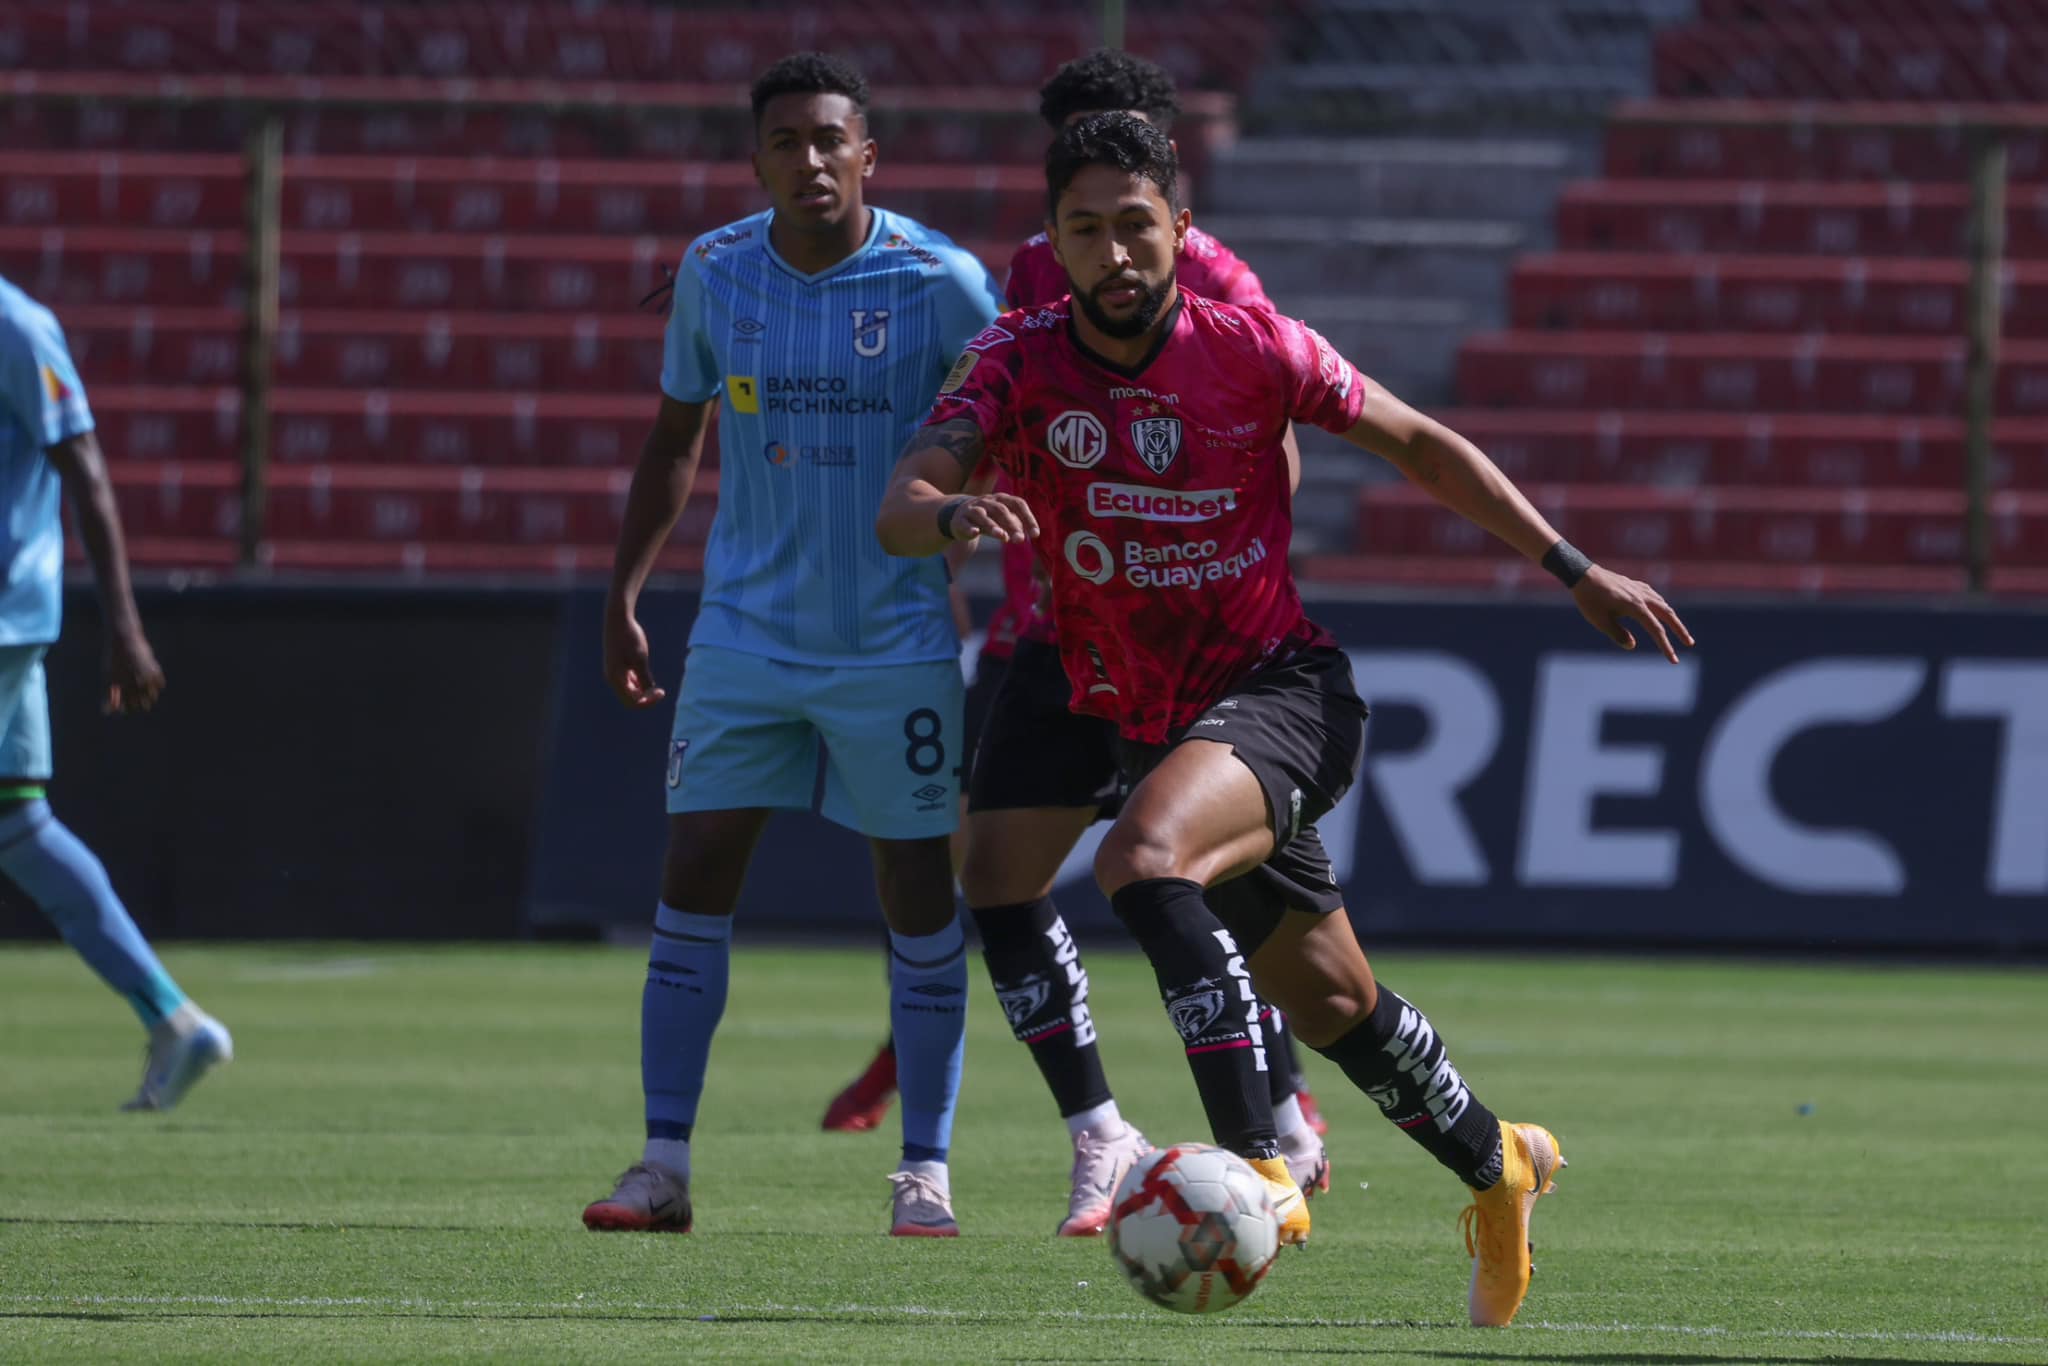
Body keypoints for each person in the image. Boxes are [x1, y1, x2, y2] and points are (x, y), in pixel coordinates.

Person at [877, 113, 1692, 1322]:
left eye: (1135, 226)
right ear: (1052, 240)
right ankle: (1498, 1158)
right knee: (1333, 1002)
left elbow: (1417, 442)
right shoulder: (1010, 360)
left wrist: (1569, 567)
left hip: (1278, 692)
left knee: (1141, 859)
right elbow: (904, 500)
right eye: (1084, 229)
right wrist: (947, 516)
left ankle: (1258, 1157)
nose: (1113, 253)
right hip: (1138, 709)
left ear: (1180, 229)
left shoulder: (1253, 348)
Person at [822, 50, 1332, 1241]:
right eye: (1076, 152)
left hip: (1193, 639)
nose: (1107, 234)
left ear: (1164, 164)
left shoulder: (1214, 284)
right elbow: (1013, 417)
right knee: (992, 869)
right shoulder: (1039, 275)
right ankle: (1101, 1128)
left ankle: (1279, 1111)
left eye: (1124, 146)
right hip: (1050, 624)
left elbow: (1276, 440)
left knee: (1210, 883)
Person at [579, 52, 1003, 1239]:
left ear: (869, 154)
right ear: (756, 157)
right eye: (785, 142)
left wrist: (967, 529)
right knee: (694, 871)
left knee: (916, 892)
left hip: (894, 640)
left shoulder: (940, 283)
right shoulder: (715, 273)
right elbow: (675, 438)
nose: (808, 160)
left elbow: (1007, 422)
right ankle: (662, 1164)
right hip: (745, 636)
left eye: (830, 139)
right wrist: (626, 592)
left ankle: (925, 1169)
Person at [0, 273, 232, 1111]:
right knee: (19, 827)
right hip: (15, 621)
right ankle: (173, 1018)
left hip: (4, 614)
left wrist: (124, 626)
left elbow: (84, 465)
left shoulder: (16, 326)